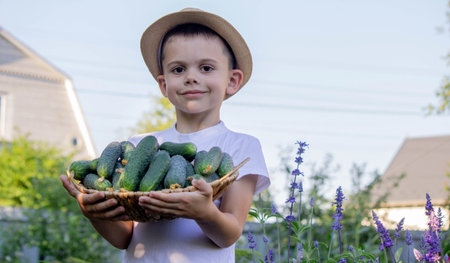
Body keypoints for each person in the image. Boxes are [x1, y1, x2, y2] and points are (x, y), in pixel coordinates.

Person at [60, 8, 270, 263]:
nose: (191, 77)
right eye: (178, 69)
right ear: (164, 84)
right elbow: (123, 239)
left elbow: (229, 234)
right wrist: (93, 212)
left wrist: (204, 212)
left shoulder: (240, 147)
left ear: (232, 80)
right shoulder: (138, 146)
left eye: (206, 68)